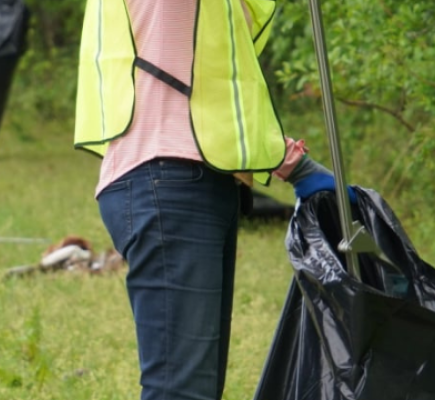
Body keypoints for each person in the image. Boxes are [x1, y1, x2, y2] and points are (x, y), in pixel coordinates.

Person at [71, 0, 335, 399]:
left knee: (198, 387)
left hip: (195, 182)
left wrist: (289, 161)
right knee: (182, 389)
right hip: (168, 182)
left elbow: (206, 87)